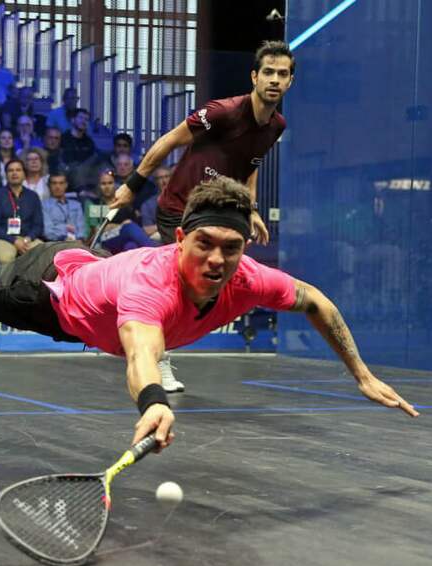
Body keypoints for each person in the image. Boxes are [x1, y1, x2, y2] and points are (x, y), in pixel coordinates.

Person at [0, 176, 418, 452]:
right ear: (180, 239)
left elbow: (317, 302)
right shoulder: (150, 288)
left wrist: (362, 375)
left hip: (93, 284)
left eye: (231, 247)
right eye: (205, 244)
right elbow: (141, 350)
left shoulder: (250, 279)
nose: (217, 260)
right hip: (49, 290)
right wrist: (152, 400)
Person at [110, 40, 296, 393]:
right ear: (255, 76)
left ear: (289, 82)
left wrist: (251, 208)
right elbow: (168, 141)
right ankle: (157, 363)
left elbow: (251, 162)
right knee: (176, 288)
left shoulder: (276, 126)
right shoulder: (223, 112)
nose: (274, 79)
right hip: (179, 209)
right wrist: (132, 186)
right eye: (268, 72)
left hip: (218, 213)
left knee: (207, 289)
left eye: (282, 74)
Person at [0, 159, 44, 265]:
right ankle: (8, 282)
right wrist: (14, 240)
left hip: (27, 238)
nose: (14, 173)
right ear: (6, 175)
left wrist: (28, 239)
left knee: (42, 252)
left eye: (18, 170)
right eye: (10, 170)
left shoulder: (32, 196)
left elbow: (38, 225)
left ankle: (32, 282)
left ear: (24, 174)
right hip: (3, 238)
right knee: (5, 256)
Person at [88, 169, 156, 255]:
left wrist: (113, 226)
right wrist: (121, 226)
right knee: (129, 228)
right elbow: (97, 231)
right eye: (103, 184)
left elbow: (136, 225)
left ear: (115, 184)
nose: (107, 187)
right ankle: (157, 254)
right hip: (105, 240)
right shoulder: (96, 204)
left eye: (110, 183)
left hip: (123, 238)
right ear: (98, 186)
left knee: (130, 246)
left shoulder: (122, 203)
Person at [41, 171, 86, 242]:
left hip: (77, 242)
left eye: (61, 183)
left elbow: (81, 229)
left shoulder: (76, 205)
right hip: (55, 243)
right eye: (54, 183)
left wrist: (79, 239)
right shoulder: (43, 205)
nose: (57, 186)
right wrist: (65, 234)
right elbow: (48, 232)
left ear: (66, 185)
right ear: (49, 185)